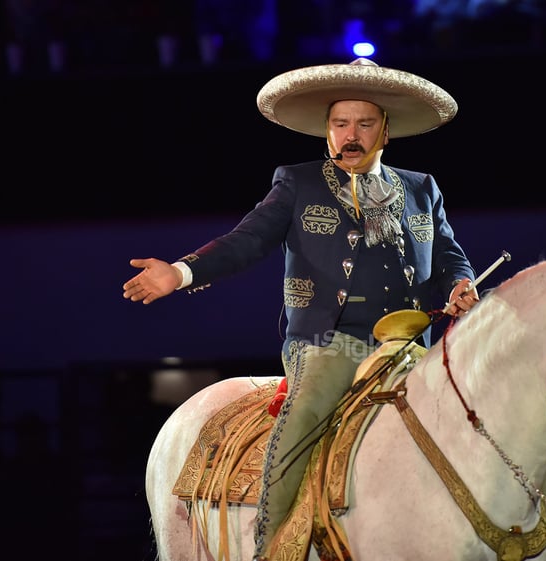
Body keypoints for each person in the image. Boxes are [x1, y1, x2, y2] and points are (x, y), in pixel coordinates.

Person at [122, 57, 479, 561]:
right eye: (339, 124)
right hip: (327, 345)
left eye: (364, 124)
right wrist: (180, 272)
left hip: (408, 347)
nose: (350, 135)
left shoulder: (421, 187)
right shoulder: (297, 182)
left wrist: (461, 282)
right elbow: (245, 242)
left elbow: (447, 254)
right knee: (306, 412)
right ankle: (275, 546)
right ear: (327, 131)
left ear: (385, 132)